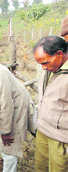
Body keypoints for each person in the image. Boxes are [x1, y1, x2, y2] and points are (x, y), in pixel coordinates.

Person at [33, 36, 68, 172]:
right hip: (43, 131)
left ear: (59, 54)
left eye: (45, 63)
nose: (43, 68)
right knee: (41, 168)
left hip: (61, 138)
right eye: (40, 64)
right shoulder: (50, 69)